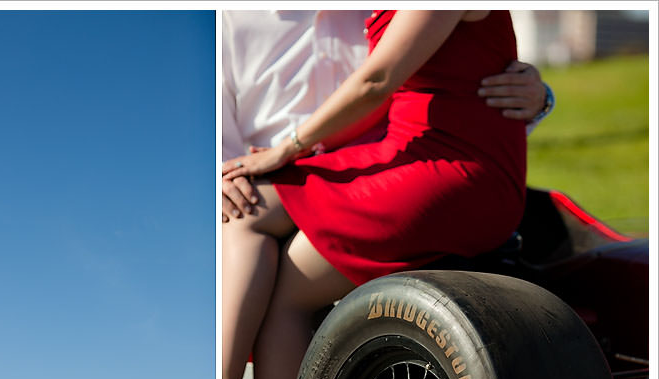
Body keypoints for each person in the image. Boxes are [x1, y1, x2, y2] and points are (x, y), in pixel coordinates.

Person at [221, 10, 529, 379]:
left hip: (448, 166)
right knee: (256, 232)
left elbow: (377, 80)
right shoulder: (236, 23)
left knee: (279, 272)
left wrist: (285, 151)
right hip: (411, 154)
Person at [222, 9, 553, 222]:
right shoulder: (226, 24)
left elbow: (451, 88)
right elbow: (207, 133)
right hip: (267, 182)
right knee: (244, 230)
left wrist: (539, 99)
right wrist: (218, 182)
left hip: (393, 176)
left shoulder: (384, 7)